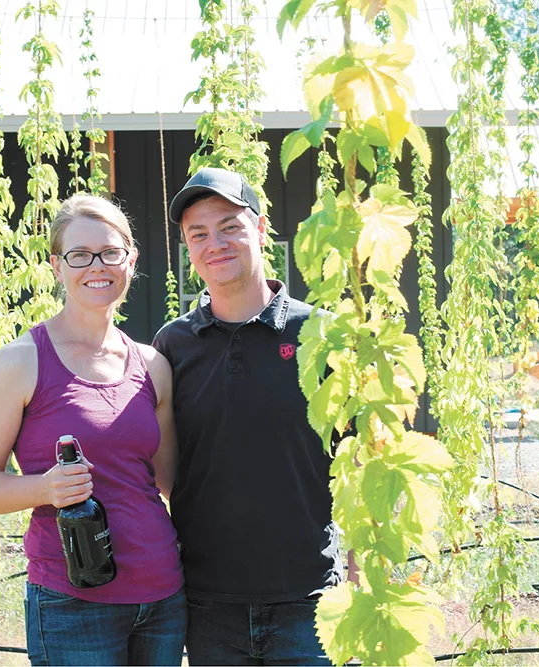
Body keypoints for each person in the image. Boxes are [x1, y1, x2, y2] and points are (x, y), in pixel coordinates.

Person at [0, 195, 186, 666]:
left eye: (109, 252)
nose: (96, 266)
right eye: (79, 255)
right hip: (73, 600)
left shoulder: (152, 364)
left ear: (131, 259)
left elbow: (171, 483)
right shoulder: (21, 362)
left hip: (163, 593)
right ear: (57, 266)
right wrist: (44, 487)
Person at [152, 167, 344, 666]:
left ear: (260, 231)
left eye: (230, 226)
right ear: (189, 250)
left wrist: (366, 571)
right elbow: (166, 468)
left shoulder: (321, 333)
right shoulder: (173, 345)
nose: (215, 242)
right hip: (208, 602)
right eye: (198, 234)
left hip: (311, 598)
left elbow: (361, 459)